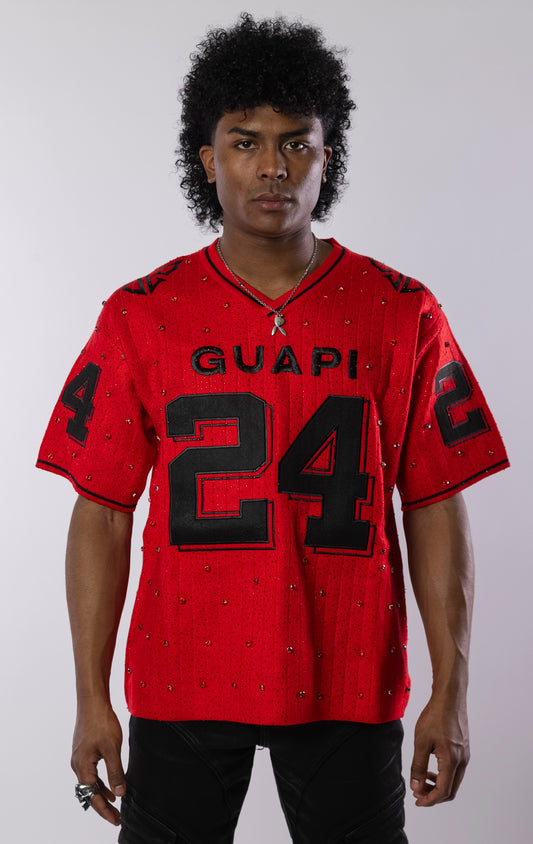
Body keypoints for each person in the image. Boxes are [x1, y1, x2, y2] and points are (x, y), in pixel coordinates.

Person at [37, 13, 509, 844]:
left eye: (296, 143)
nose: (272, 167)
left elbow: (433, 502)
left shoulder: (401, 310)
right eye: (245, 142)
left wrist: (452, 688)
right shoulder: (142, 313)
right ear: (207, 158)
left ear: (329, 155)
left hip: (347, 673)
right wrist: (89, 699)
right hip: (183, 672)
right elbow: (102, 511)